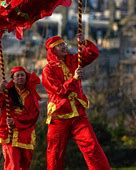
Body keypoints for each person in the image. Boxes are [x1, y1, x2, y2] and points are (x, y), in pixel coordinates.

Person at [42, 35, 110, 170]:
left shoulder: (73, 60)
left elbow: (92, 53)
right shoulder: (47, 70)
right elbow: (60, 91)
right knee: (55, 152)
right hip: (59, 116)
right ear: (52, 50)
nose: (64, 46)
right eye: (60, 45)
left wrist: (84, 42)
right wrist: (74, 79)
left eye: (64, 44)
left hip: (78, 113)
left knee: (92, 145)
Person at [0, 66, 40, 170]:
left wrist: (15, 121)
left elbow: (33, 114)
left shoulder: (31, 94)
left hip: (26, 134)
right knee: (13, 165)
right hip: (9, 133)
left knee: (25, 164)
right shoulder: (7, 92)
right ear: (13, 78)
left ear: (26, 77)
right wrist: (0, 89)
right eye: (18, 75)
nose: (20, 77)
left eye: (22, 75)